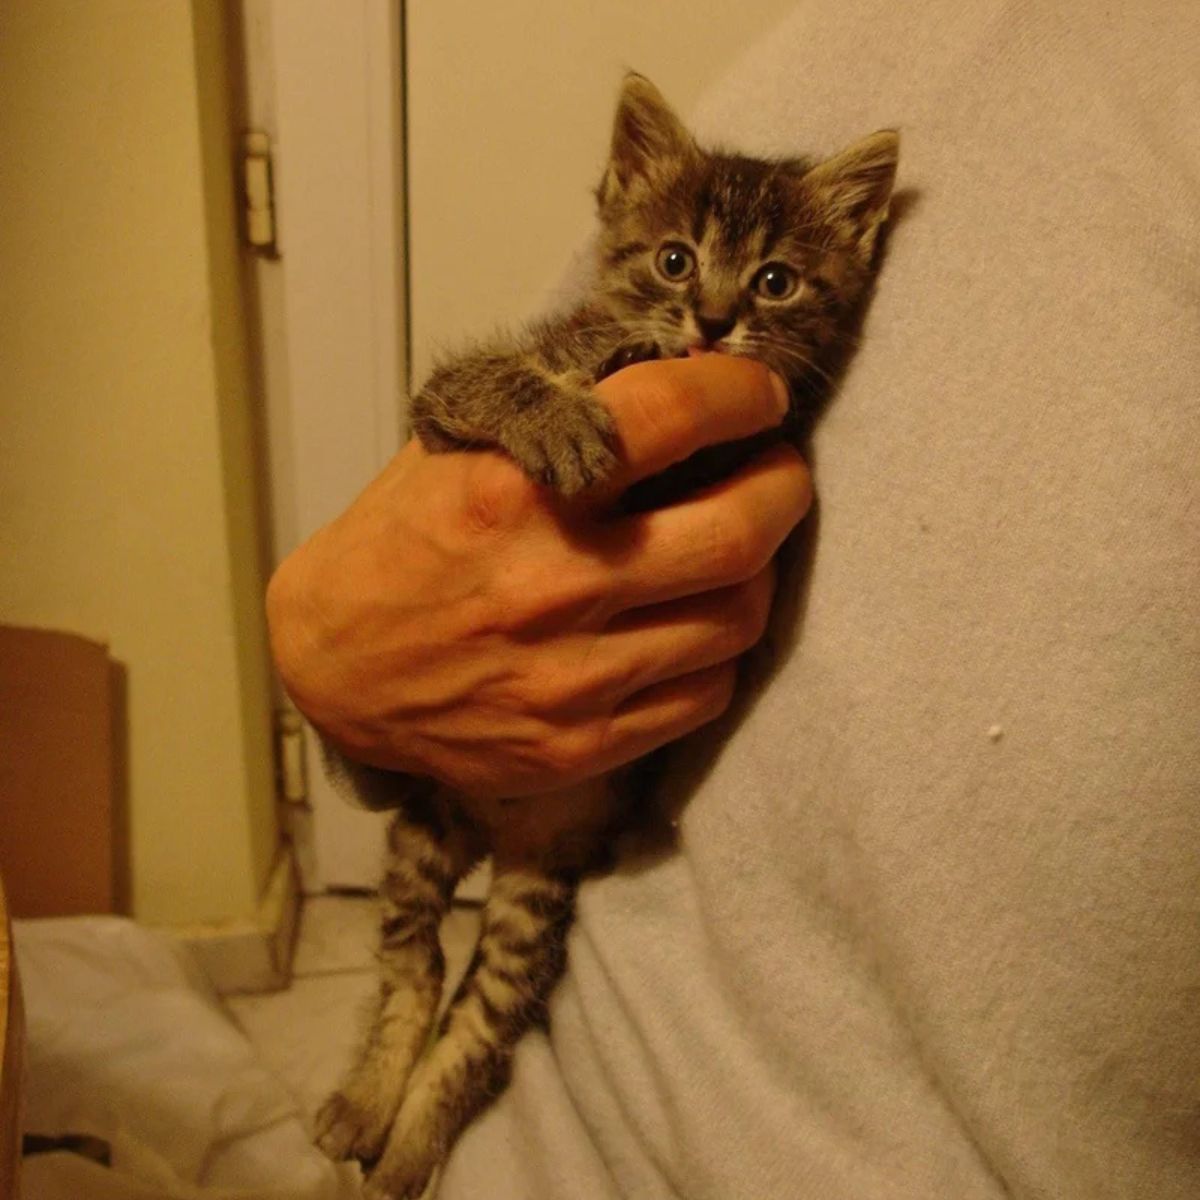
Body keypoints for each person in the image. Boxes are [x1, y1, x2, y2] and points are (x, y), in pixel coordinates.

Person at [267, 1, 1200, 1195]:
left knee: (513, 946)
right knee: (415, 917)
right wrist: (526, 429)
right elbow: (453, 403)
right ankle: (399, 1025)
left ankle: (431, 1096)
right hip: (501, 820)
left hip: (596, 848)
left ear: (853, 243)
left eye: (765, 284)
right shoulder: (620, 314)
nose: (709, 312)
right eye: (675, 264)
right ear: (623, 194)